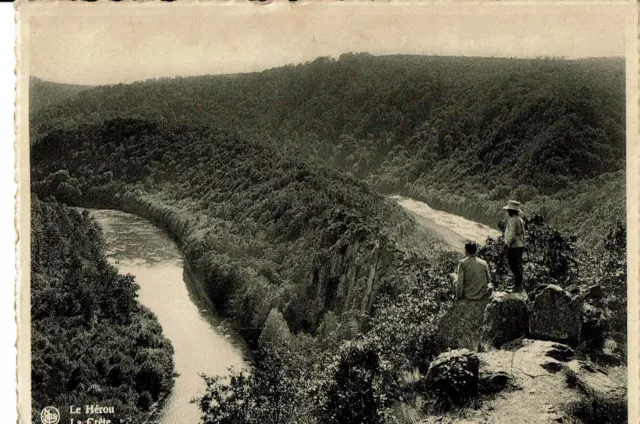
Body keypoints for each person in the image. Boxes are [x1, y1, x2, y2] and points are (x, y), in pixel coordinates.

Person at [502, 200, 526, 293]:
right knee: (518, 266)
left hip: (514, 247)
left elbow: (511, 235)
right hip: (520, 245)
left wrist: (505, 247)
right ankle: (518, 285)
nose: (507, 212)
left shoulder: (512, 220)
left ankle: (517, 287)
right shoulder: (520, 219)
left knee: (514, 266)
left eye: (509, 210)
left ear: (511, 211)